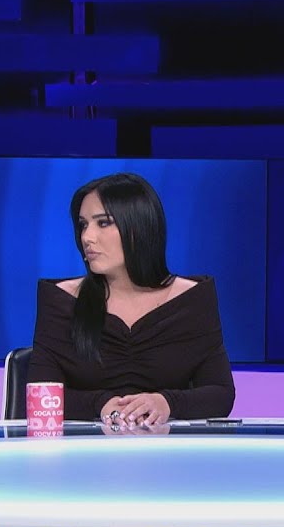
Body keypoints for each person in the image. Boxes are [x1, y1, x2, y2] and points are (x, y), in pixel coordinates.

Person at [28, 173, 234, 425]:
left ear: (139, 228)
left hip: (167, 446)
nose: (87, 237)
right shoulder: (60, 301)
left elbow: (220, 394)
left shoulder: (192, 300)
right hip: (84, 447)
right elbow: (40, 397)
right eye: (83, 225)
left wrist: (166, 403)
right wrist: (99, 405)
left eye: (103, 223)